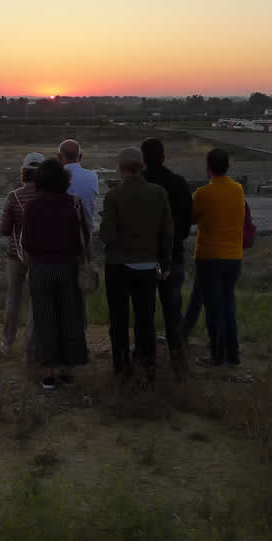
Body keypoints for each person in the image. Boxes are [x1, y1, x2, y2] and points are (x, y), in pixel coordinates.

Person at [100, 147, 173, 383]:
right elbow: (166, 232)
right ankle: (147, 364)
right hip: (147, 265)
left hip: (118, 266)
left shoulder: (113, 196)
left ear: (120, 169)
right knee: (145, 318)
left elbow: (107, 235)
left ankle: (121, 366)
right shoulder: (159, 193)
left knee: (119, 319)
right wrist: (165, 261)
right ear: (143, 167)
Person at [22, 157, 90, 389]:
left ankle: (48, 374)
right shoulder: (74, 204)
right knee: (70, 317)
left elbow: (27, 242)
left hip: (40, 268)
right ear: (64, 180)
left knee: (45, 320)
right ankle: (68, 370)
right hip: (68, 267)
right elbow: (84, 238)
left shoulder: (32, 207)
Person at [140, 137, 194, 376]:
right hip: (173, 256)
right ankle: (177, 359)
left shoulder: (139, 185)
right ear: (164, 157)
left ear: (143, 160)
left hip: (143, 259)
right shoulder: (179, 183)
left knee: (145, 311)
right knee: (172, 312)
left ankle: (146, 360)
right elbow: (187, 221)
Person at [191, 148, 247, 367]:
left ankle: (217, 355)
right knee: (228, 305)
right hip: (234, 257)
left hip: (209, 257)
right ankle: (233, 355)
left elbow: (192, 219)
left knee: (214, 309)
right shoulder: (238, 189)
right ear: (228, 166)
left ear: (208, 167)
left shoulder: (203, 193)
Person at [0, 151, 44, 355]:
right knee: (36, 299)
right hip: (40, 255)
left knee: (13, 298)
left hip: (15, 254)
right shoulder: (47, 197)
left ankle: (7, 343)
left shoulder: (13, 196)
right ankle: (31, 344)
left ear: (24, 172)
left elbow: (5, 229)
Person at [58, 138, 99, 226]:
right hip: (86, 233)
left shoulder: (53, 178)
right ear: (80, 157)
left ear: (59, 157)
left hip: (61, 231)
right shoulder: (92, 176)